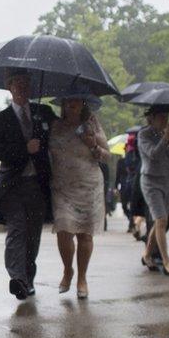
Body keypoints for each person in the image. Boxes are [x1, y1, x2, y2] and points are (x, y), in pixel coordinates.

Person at [0, 69, 57, 300]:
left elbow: (60, 135)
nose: (22, 87)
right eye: (17, 83)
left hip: (38, 185)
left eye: (25, 83)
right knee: (17, 229)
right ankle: (17, 278)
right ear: (9, 87)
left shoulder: (44, 112)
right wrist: (24, 149)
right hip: (12, 186)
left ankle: (28, 278)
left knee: (33, 234)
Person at [48, 94, 109, 299]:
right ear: (63, 103)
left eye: (76, 100)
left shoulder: (92, 124)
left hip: (89, 185)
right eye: (68, 100)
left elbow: (106, 155)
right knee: (64, 230)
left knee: (85, 234)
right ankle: (68, 270)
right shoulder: (55, 126)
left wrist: (93, 144)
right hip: (62, 187)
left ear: (83, 103)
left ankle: (82, 278)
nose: (72, 103)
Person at [138, 104, 169, 276]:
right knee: (161, 219)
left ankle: (147, 254)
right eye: (161, 117)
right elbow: (153, 154)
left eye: (166, 117)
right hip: (151, 182)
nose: (165, 120)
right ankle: (166, 261)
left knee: (160, 221)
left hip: (167, 181)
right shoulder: (144, 134)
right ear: (151, 118)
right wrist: (165, 138)